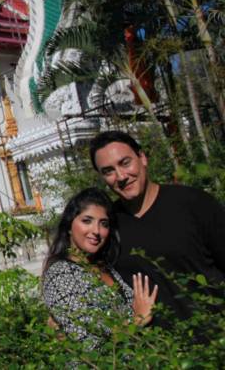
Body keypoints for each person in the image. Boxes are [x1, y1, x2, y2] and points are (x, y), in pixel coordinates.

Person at [89, 130, 225, 329]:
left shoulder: (193, 203)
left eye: (125, 163)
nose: (121, 176)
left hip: (216, 345)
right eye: (108, 171)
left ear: (142, 158)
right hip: (161, 353)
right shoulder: (108, 226)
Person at [42, 188, 157, 348]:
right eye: (86, 221)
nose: (96, 231)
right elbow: (87, 341)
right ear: (69, 226)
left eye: (103, 224)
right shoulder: (60, 274)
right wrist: (137, 320)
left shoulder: (105, 266)